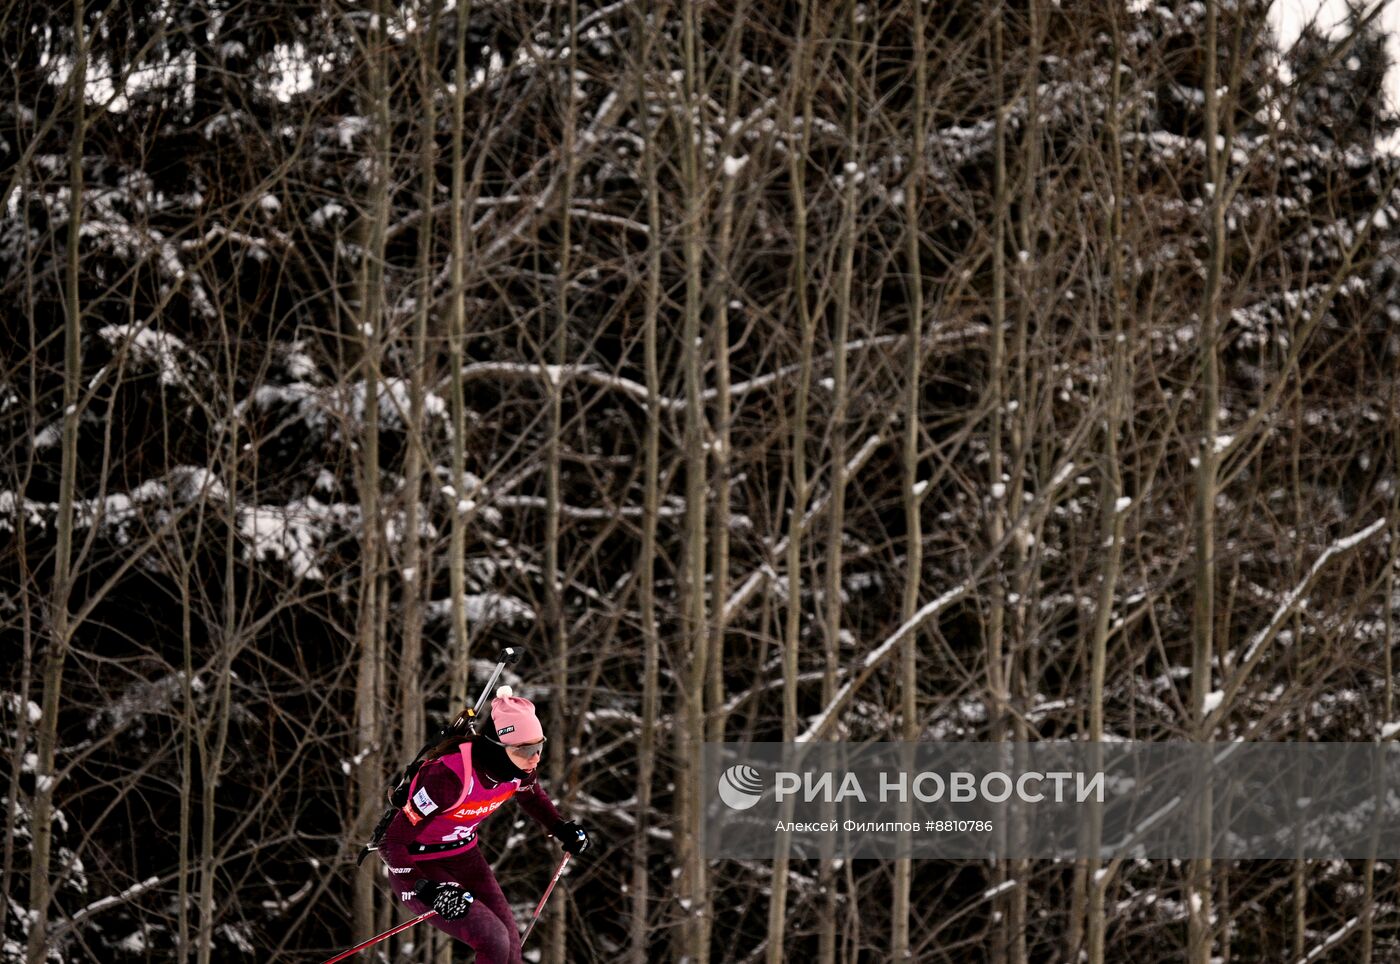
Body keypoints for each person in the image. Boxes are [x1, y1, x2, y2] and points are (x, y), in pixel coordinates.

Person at [376, 691, 589, 963]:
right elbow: (391, 841)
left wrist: (560, 827)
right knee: (493, 939)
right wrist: (427, 888)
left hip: (464, 856)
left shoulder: (518, 770)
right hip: (419, 863)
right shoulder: (448, 777)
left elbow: (532, 795)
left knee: (511, 950)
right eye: (525, 750)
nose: (534, 758)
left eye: (539, 747)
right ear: (497, 747)